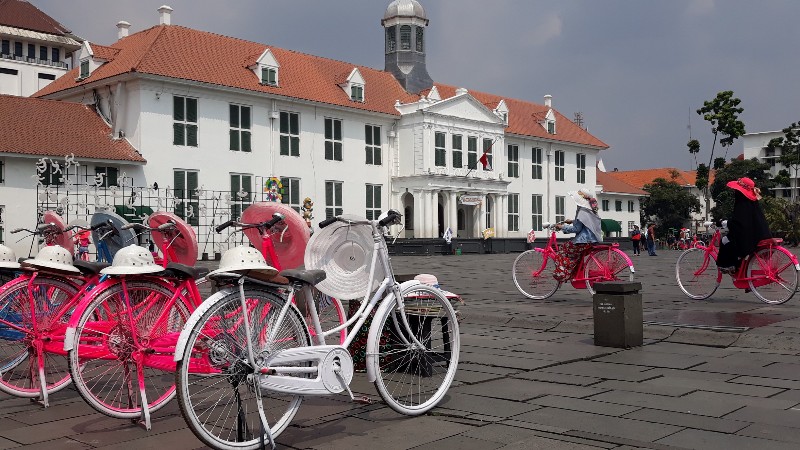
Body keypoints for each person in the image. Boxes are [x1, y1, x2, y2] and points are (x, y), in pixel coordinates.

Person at [716, 177, 771, 274]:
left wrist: (724, 223)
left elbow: (738, 224)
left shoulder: (742, 204)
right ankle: (739, 265)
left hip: (749, 241)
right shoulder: (752, 203)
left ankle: (729, 266)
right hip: (759, 236)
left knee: (725, 240)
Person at [553, 188, 601, 282]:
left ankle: (563, 274)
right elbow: (585, 223)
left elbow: (576, 229)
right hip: (592, 240)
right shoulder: (590, 210)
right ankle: (575, 272)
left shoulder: (582, 211)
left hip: (584, 240)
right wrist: (572, 221)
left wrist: (562, 227)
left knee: (562, 250)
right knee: (575, 255)